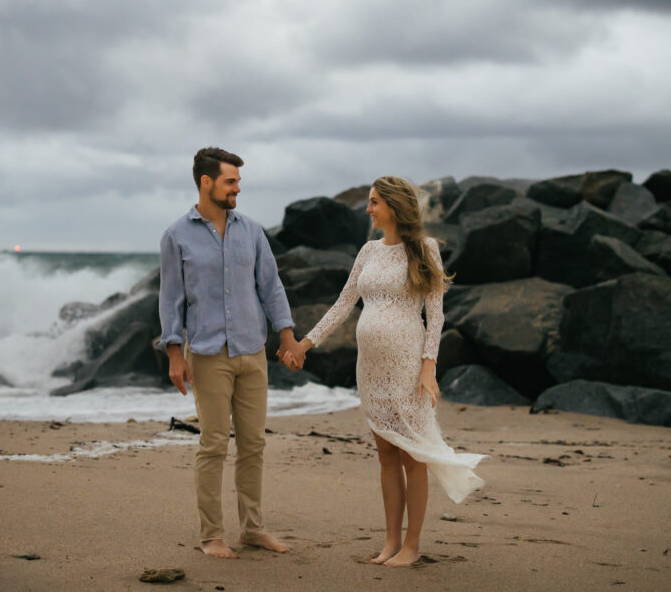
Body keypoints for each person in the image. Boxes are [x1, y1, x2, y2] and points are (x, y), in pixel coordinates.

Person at [284, 176, 487, 567]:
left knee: (413, 455)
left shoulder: (424, 249)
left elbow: (436, 314)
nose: (369, 208)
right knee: (386, 454)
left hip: (408, 363)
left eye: (375, 202)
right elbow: (344, 305)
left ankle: (412, 546)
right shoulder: (368, 251)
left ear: (393, 206)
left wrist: (429, 368)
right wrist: (305, 344)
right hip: (370, 368)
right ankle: (391, 541)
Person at [158, 147, 306, 559]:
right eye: (230, 181)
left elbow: (271, 287)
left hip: (252, 350)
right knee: (213, 444)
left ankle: (253, 530)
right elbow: (170, 300)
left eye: (238, 181)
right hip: (207, 353)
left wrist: (288, 337)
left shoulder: (252, 231)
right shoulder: (176, 236)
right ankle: (212, 535)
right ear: (206, 183)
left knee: (254, 444)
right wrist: (174, 353)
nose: (238, 187)